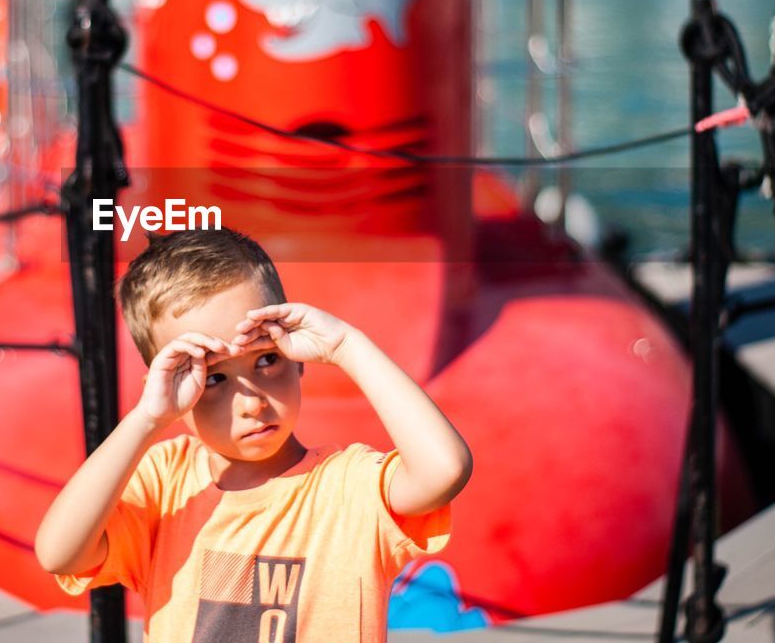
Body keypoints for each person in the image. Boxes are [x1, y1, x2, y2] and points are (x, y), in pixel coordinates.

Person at [35, 228, 472, 642]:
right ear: (169, 384)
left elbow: (445, 469)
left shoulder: (345, 487)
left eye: (266, 360)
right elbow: (60, 552)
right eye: (213, 379)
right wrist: (147, 418)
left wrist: (345, 347)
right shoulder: (167, 481)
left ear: (296, 356)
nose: (251, 402)